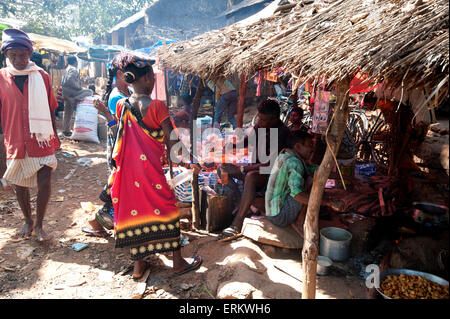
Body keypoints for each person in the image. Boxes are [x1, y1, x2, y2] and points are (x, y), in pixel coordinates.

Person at [107, 52, 202, 279]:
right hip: (150, 171)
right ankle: (177, 263)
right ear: (149, 78)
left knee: (134, 212)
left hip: (128, 174)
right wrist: (190, 161)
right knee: (168, 208)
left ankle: (139, 268)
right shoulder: (157, 106)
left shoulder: (122, 106)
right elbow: (173, 145)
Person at [0, 29, 60, 242]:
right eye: (13, 55)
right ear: (6, 55)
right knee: (20, 182)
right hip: (15, 138)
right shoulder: (1, 78)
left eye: (23, 55)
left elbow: (52, 107)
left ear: (30, 54)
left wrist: (55, 135)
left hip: (41, 137)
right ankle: (27, 220)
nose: (18, 60)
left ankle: (40, 224)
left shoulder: (41, 76)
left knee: (44, 180)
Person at [217, 99, 291, 239]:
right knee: (222, 169)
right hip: (255, 169)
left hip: (273, 176)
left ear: (275, 119)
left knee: (251, 176)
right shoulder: (261, 126)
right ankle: (242, 203)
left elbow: (270, 165)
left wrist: (242, 169)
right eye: (259, 119)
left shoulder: (282, 133)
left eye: (264, 120)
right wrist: (231, 147)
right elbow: (248, 140)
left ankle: (237, 224)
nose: (260, 123)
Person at [83, 54, 132, 238]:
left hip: (125, 148)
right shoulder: (117, 98)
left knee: (119, 189)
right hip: (119, 150)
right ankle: (98, 222)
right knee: (118, 189)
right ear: (120, 74)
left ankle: (100, 223)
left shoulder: (126, 93)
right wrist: (106, 113)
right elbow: (117, 131)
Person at [60, 55, 91, 137]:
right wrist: (79, 87)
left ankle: (65, 130)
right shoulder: (73, 69)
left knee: (67, 113)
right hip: (72, 94)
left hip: (65, 93)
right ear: (75, 62)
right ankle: (75, 99)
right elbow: (70, 80)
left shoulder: (66, 69)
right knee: (89, 91)